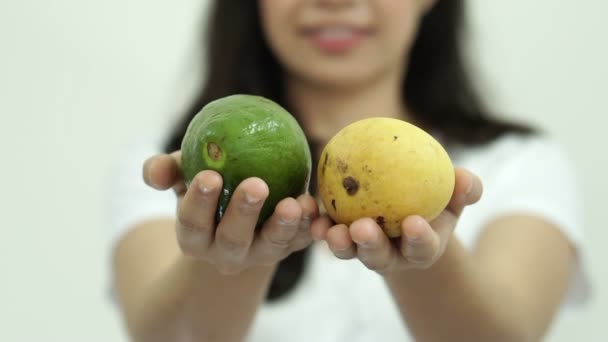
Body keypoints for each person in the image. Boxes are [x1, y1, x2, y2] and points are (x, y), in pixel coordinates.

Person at [108, 1, 588, 341]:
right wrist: (232, 262)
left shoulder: (520, 162)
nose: (334, 1)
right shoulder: (177, 169)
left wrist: (421, 261)